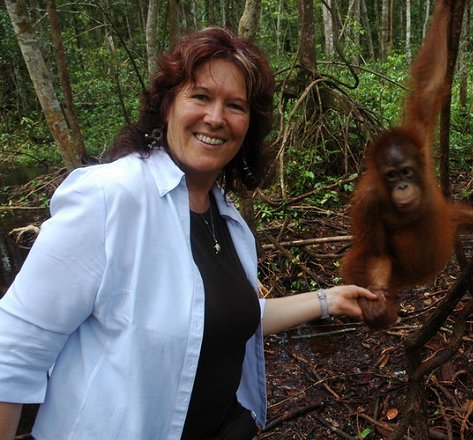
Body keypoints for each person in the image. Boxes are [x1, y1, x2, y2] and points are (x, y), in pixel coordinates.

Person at [0, 27, 376, 440]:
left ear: (249, 126)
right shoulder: (110, 198)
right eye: (200, 96)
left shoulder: (226, 218)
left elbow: (220, 317)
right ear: (167, 106)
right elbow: (12, 354)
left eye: (235, 105)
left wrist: (327, 300)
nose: (216, 118)